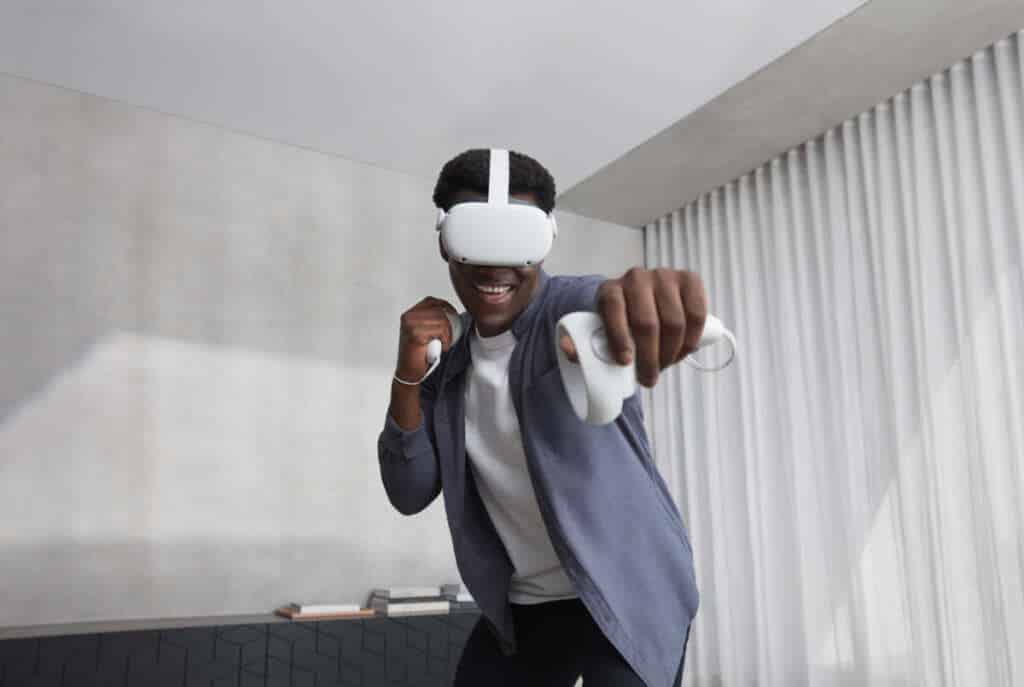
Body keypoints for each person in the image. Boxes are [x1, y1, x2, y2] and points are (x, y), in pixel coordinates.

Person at [378, 149, 704, 687]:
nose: (495, 267)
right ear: (445, 241)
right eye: (477, 238)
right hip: (523, 606)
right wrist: (407, 372)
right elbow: (407, 492)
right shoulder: (449, 363)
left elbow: (611, 302)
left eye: (517, 240)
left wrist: (641, 300)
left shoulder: (574, 308)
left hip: (625, 589)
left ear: (547, 237)